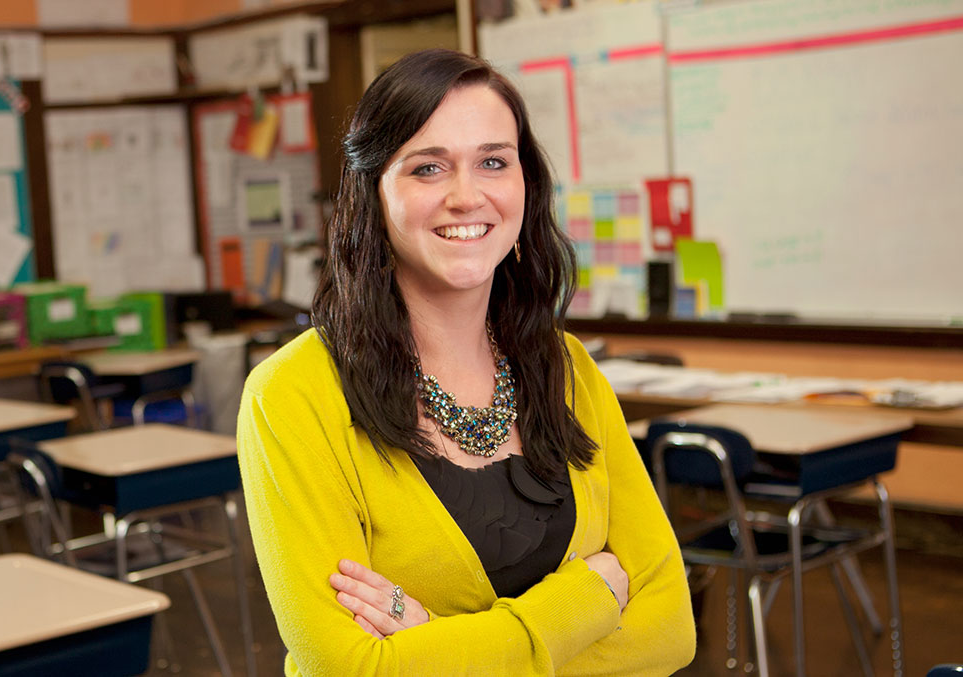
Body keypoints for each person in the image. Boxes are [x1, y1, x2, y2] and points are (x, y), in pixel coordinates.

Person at [236, 48, 695, 675]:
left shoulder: (567, 367)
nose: (466, 195)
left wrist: (438, 648)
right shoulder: (290, 396)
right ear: (373, 191)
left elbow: (669, 631)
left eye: (493, 162)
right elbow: (346, 668)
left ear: (524, 183)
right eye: (428, 168)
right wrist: (585, 600)